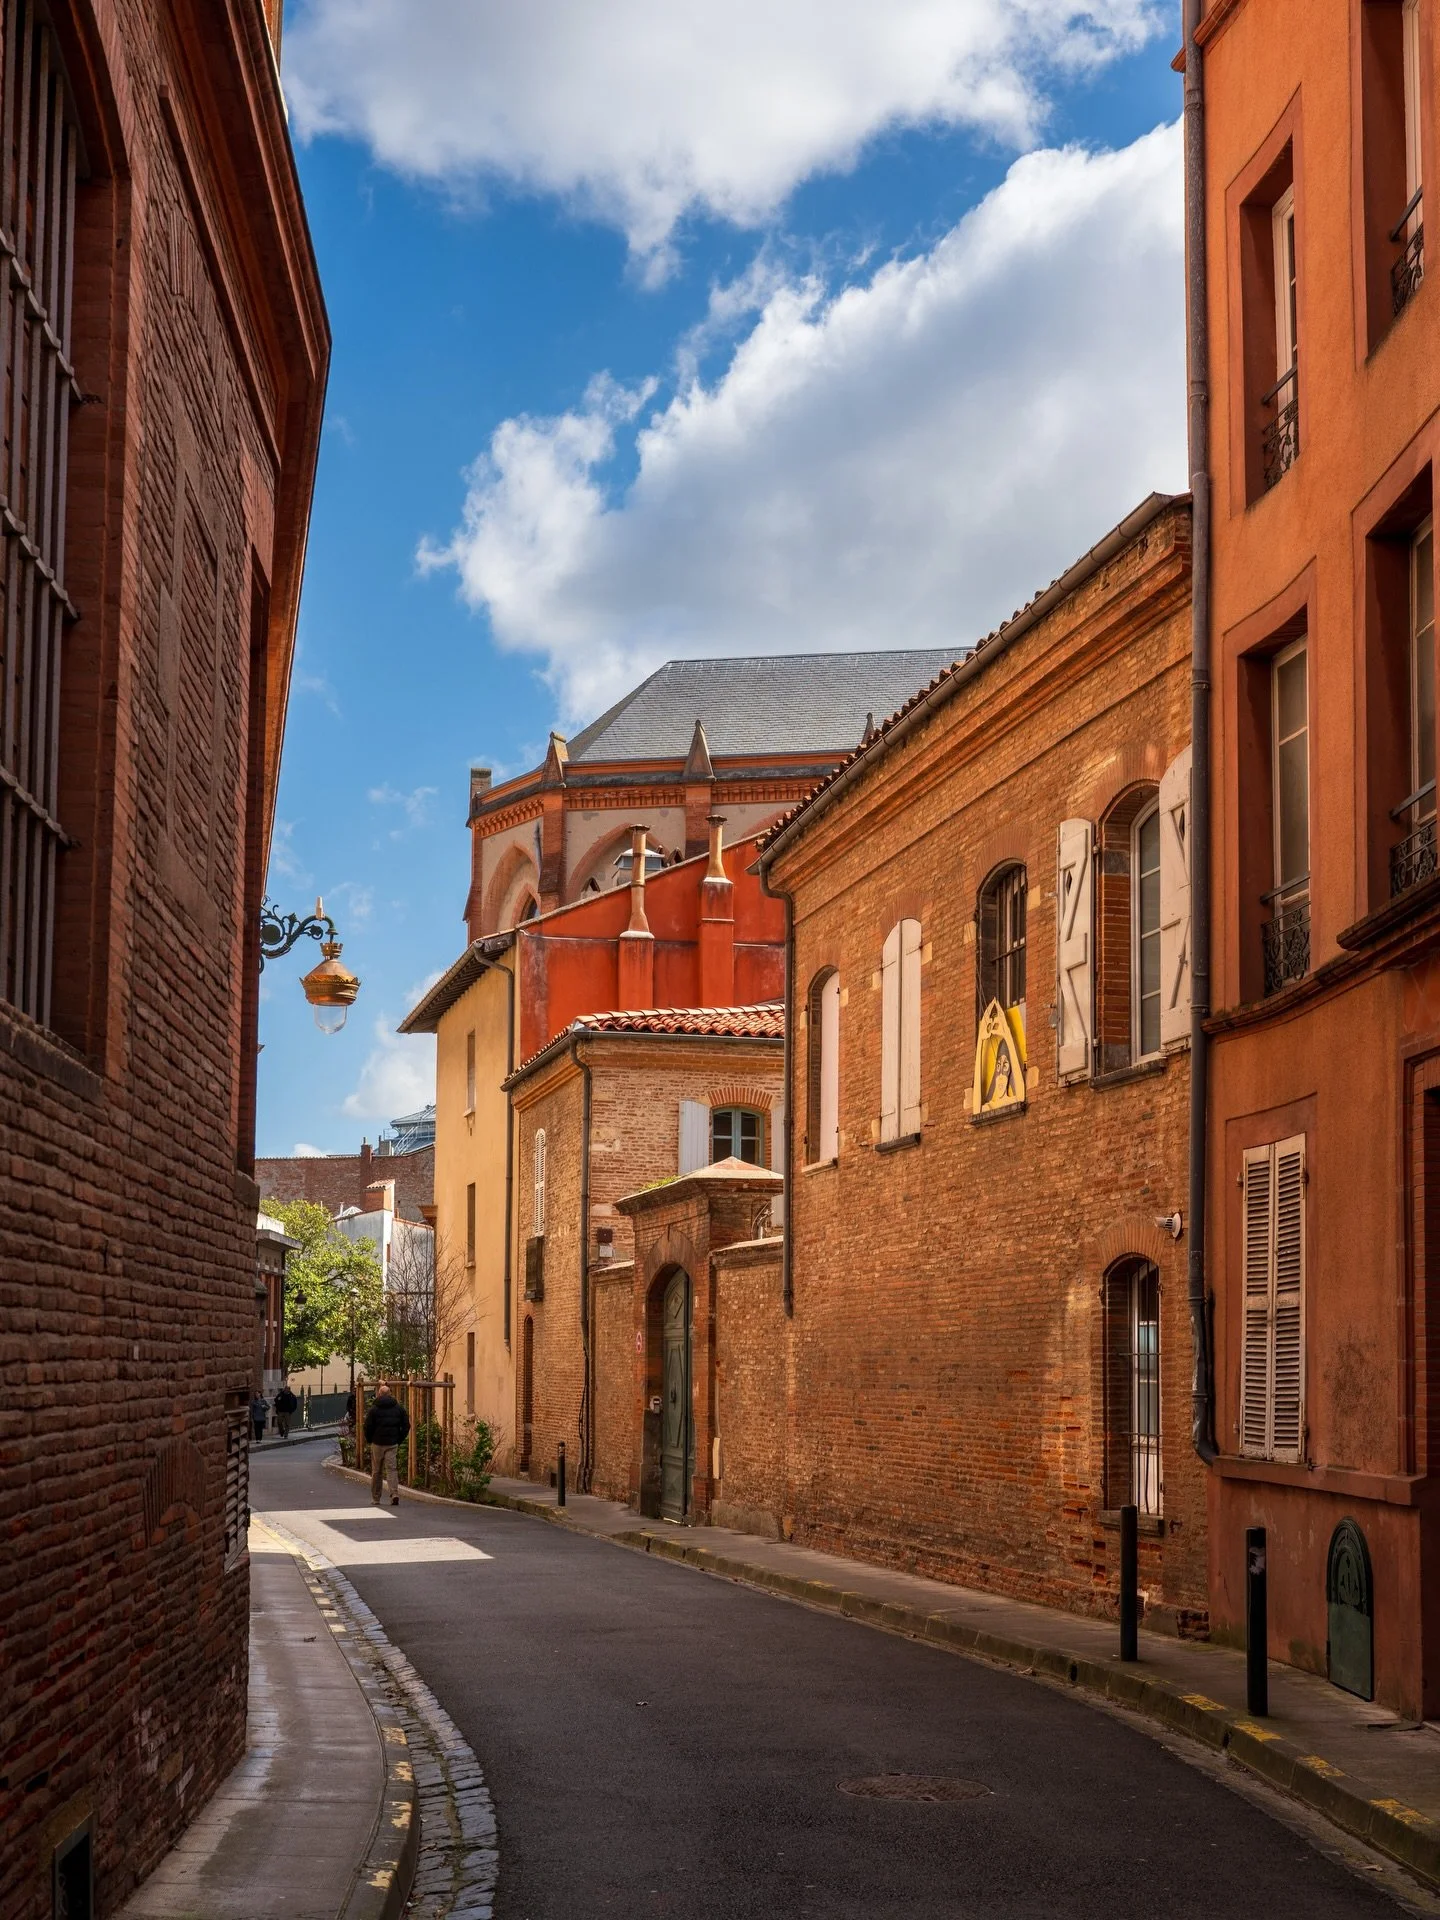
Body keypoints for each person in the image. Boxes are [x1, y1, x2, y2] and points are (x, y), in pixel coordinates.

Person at [363, 1381, 410, 1507]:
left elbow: (367, 1426)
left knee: (376, 1471)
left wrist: (369, 1439)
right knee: (392, 1469)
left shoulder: (374, 1409)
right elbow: (406, 1425)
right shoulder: (398, 1408)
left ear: (379, 1394)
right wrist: (398, 1439)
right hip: (392, 1443)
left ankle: (376, 1498)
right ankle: (394, 1493)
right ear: (390, 1394)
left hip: (377, 1443)